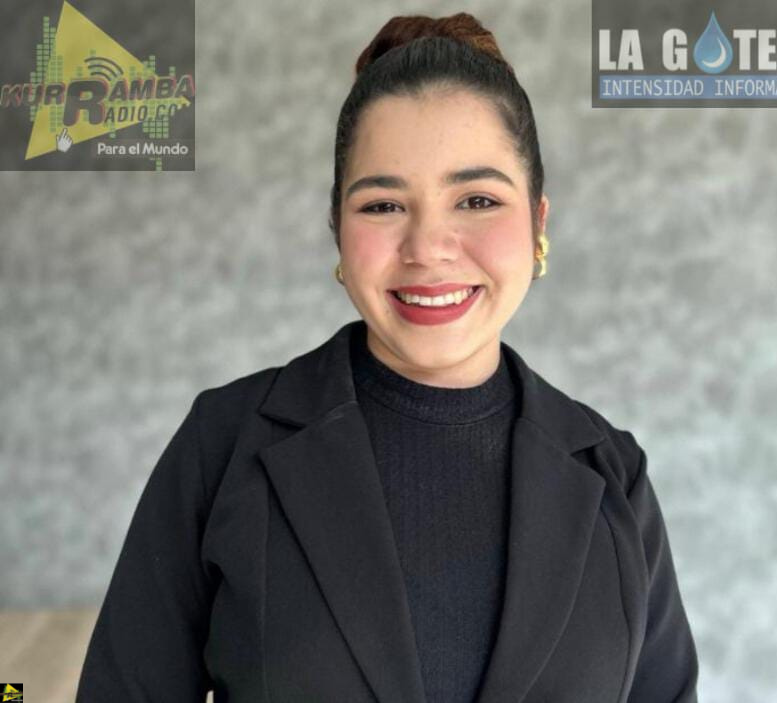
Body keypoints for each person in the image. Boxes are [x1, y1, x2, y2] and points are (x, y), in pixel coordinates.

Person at [75, 11, 698, 703]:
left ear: (538, 222)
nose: (427, 248)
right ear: (336, 227)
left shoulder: (613, 473)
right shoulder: (221, 445)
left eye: (477, 199)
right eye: (382, 206)